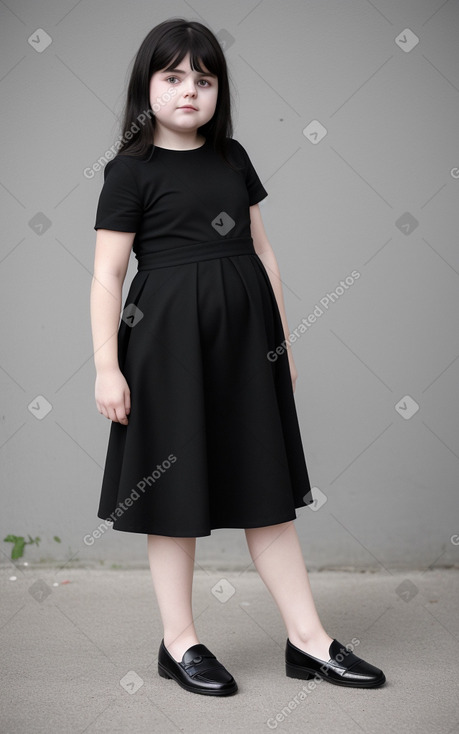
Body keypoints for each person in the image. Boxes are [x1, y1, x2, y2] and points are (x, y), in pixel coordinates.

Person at [90, 18, 386, 696]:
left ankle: (307, 640)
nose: (188, 91)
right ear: (147, 87)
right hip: (165, 348)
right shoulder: (130, 171)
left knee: (266, 490)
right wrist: (108, 366)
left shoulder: (232, 159)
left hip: (245, 346)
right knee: (170, 490)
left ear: (218, 90)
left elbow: (261, 252)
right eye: (172, 78)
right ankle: (179, 641)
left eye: (203, 78)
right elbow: (107, 274)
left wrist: (281, 342)